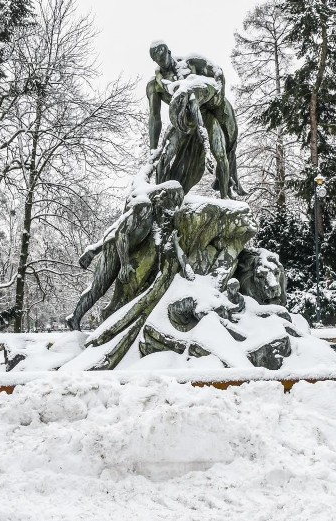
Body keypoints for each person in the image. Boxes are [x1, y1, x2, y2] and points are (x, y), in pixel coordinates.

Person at [66, 182, 184, 331]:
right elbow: (120, 233)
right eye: (171, 203)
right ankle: (74, 318)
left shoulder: (151, 212)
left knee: (99, 288)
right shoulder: (144, 207)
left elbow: (120, 223)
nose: (170, 209)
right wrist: (124, 263)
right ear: (162, 196)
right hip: (115, 250)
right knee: (99, 288)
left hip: (121, 249)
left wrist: (93, 250)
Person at [146, 41, 245, 199]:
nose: (161, 61)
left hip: (206, 115)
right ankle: (161, 199)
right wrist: (152, 149)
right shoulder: (154, 85)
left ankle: (226, 195)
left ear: (169, 52)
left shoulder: (191, 63)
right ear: (154, 61)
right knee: (164, 155)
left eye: (162, 57)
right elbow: (154, 117)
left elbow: (218, 73)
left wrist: (218, 94)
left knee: (220, 152)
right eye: (157, 59)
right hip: (182, 121)